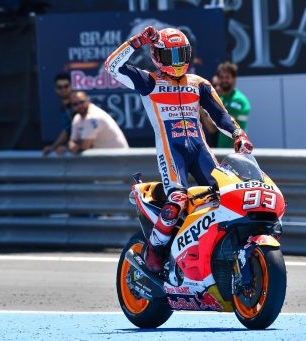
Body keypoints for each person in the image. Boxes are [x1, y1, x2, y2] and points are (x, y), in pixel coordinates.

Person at [105, 25, 253, 273]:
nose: (176, 62)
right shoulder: (148, 81)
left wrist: (239, 134)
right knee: (177, 199)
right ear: (156, 56)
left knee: (228, 194)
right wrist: (136, 42)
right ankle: (154, 250)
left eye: (180, 54)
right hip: (172, 151)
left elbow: (220, 115)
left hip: (200, 150)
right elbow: (112, 66)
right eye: (169, 55)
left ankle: (218, 249)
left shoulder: (199, 84)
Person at [215, 62, 251, 149]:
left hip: (238, 149)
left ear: (234, 79)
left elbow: (225, 120)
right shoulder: (221, 99)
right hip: (222, 150)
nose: (224, 80)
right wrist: (201, 108)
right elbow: (212, 128)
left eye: (227, 77)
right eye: (222, 77)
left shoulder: (240, 100)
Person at [42, 73, 74, 156]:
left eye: (66, 86)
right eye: (60, 87)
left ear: (71, 87)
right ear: (55, 89)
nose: (63, 89)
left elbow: (83, 130)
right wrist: (53, 147)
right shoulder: (64, 107)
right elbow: (67, 130)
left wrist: (67, 147)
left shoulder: (76, 105)